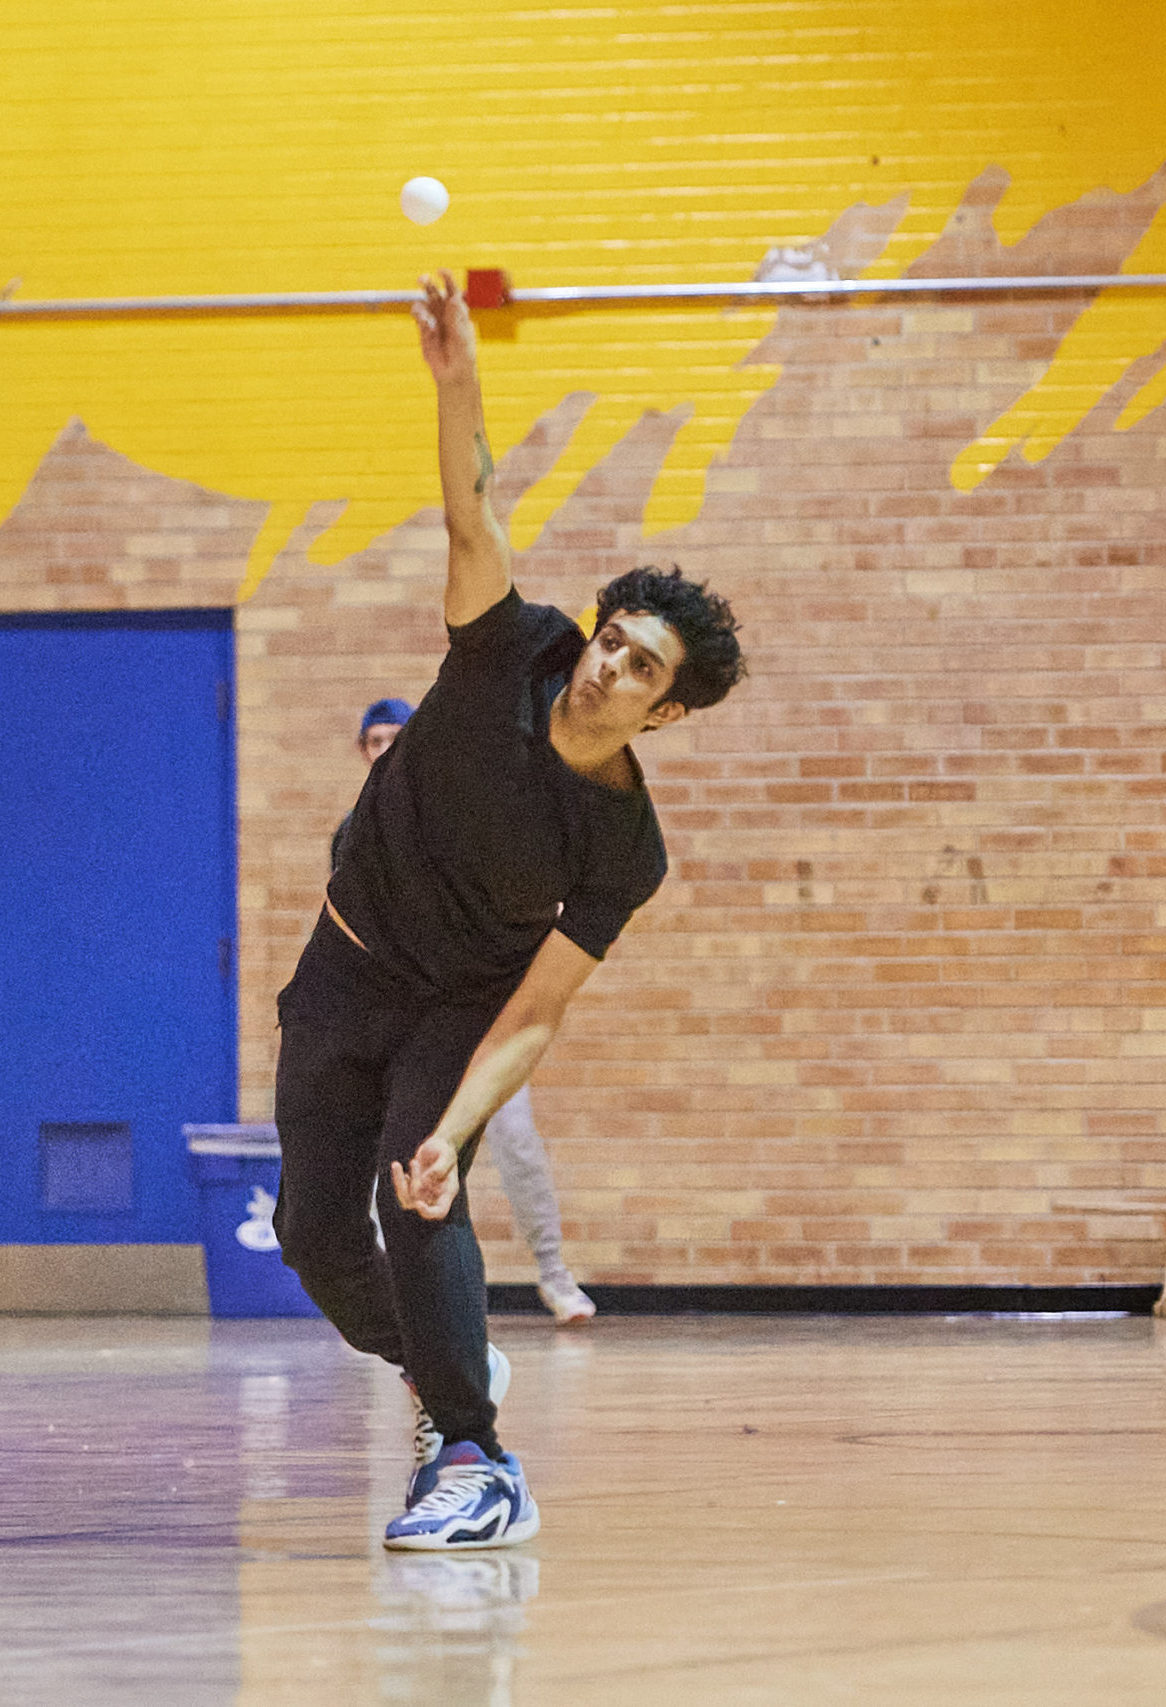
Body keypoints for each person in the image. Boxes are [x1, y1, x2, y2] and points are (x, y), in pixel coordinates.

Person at [275, 272, 745, 1551]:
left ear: (667, 712)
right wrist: (458, 382)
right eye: (612, 638)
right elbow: (469, 513)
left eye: (641, 665)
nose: (608, 663)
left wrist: (458, 1125)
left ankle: (475, 1456)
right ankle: (451, 1371)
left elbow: (537, 1013)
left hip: (460, 1004)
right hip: (342, 967)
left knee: (414, 1194)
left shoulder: (621, 845)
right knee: (312, 1237)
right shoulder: (510, 645)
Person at [336, 698, 599, 1326]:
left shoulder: (458, 819)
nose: (385, 750)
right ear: (363, 750)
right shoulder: (353, 833)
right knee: (390, 1152)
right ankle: (394, 1297)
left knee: (517, 1144)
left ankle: (554, 1275)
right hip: (401, 1023)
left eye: (396, 739)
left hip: (478, 1016)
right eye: (374, 740)